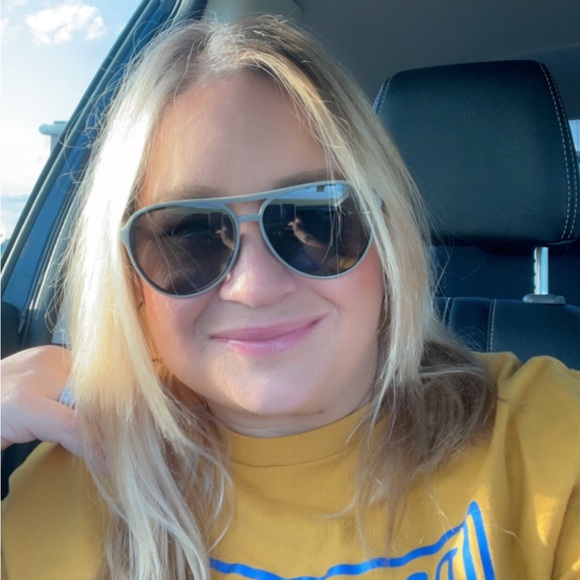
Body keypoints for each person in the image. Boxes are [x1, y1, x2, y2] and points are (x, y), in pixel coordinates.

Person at [1, 15, 579, 580]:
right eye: (188, 235)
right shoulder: (68, 487)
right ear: (128, 276)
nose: (255, 286)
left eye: (317, 216)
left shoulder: (548, 440)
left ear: (387, 236)